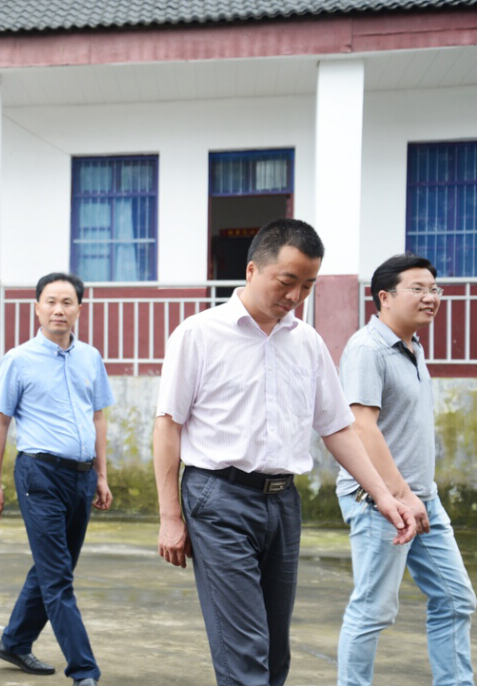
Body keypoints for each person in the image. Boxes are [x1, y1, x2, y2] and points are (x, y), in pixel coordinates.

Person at [153, 218, 418, 686]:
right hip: (218, 498)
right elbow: (168, 425)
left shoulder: (307, 342)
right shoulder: (198, 334)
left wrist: (383, 494)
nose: (295, 296)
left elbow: (337, 427)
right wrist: (170, 516)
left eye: (308, 285)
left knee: (275, 651)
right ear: (252, 270)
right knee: (245, 652)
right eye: (287, 281)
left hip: (282, 503)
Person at [336, 253, 475, 686]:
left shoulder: (412, 347)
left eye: (434, 289)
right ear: (385, 297)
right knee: (374, 609)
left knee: (456, 599)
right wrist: (399, 494)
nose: (430, 297)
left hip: (422, 498)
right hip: (379, 500)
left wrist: (416, 495)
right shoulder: (367, 349)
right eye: (418, 288)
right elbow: (361, 427)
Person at [0, 271, 113, 686]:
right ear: (37, 308)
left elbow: (98, 418)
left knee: (54, 566)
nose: (59, 309)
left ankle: (15, 641)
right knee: (58, 576)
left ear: (79, 309)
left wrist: (102, 475)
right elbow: (0, 422)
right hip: (39, 474)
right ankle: (84, 670)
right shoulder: (18, 359)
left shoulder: (90, 358)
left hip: (82, 477)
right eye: (51, 302)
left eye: (67, 302)